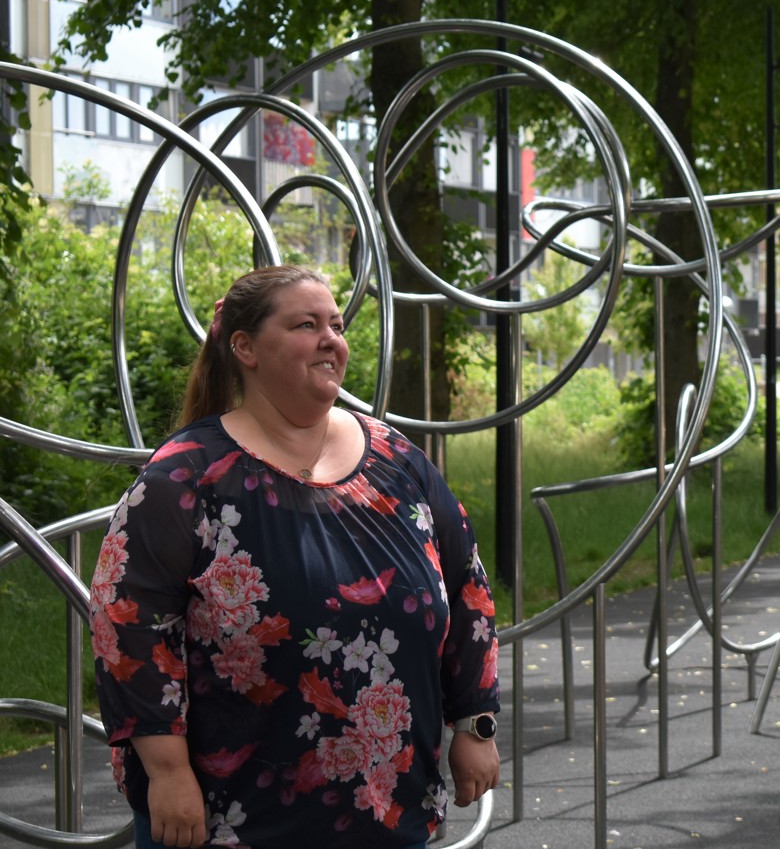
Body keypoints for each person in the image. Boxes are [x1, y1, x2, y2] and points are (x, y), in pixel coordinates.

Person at [89, 265, 501, 848]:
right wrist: (167, 771)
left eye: (336, 325)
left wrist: (476, 725)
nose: (330, 339)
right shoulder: (186, 476)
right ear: (245, 347)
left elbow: (467, 588)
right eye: (306, 325)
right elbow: (126, 624)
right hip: (228, 820)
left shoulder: (397, 460)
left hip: (388, 810)